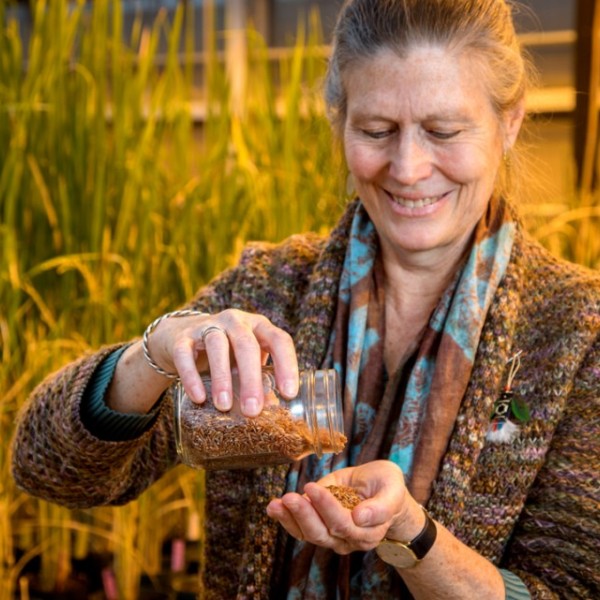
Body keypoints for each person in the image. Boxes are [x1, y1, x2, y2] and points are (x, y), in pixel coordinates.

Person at [11, 0, 600, 598]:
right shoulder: (270, 290)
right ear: (340, 124)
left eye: (443, 131)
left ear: (510, 123)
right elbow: (49, 469)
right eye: (376, 131)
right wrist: (155, 354)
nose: (409, 167)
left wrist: (412, 537)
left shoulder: (575, 333)